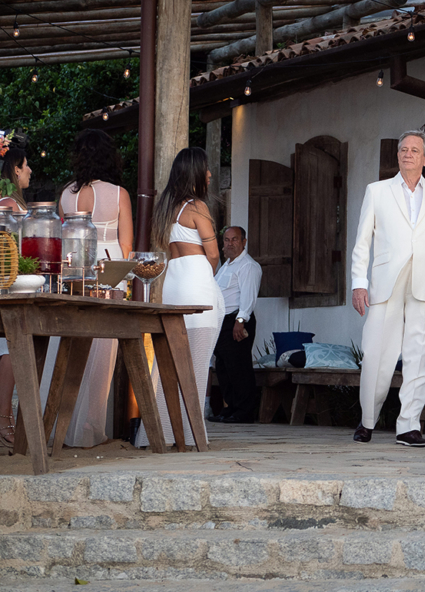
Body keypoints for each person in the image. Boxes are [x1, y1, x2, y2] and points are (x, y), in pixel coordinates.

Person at [351, 129, 425, 447]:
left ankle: (409, 425)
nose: (407, 153)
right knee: (376, 355)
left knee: (420, 357)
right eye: (403, 149)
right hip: (385, 284)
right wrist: (359, 283)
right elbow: (362, 243)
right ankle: (367, 420)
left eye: (414, 150)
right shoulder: (377, 191)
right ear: (398, 155)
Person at [40, 131, 134, 448]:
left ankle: (57, 425)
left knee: (67, 348)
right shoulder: (118, 193)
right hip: (109, 272)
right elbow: (127, 245)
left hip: (75, 272)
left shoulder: (66, 195)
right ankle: (90, 429)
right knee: (102, 354)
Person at [136, 148, 225, 449]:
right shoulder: (198, 207)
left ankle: (158, 433)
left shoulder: (166, 208)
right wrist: (205, 272)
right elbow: (213, 255)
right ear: (195, 173)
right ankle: (189, 436)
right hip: (197, 282)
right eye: (206, 169)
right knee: (197, 364)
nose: (210, 174)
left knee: (168, 365)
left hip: (173, 282)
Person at [210, 226, 263, 424]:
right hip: (222, 322)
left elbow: (249, 296)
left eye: (234, 239)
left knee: (239, 367)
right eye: (227, 240)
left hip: (238, 321)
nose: (230, 243)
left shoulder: (248, 266)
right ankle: (230, 408)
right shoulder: (226, 266)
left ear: (244, 242)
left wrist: (240, 321)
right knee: (224, 367)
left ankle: (244, 412)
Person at [0, 145, 29, 448]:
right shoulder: (8, 203)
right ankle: (4, 415)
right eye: (27, 165)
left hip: (13, 278)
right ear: (17, 169)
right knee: (10, 346)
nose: (31, 171)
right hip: (11, 280)